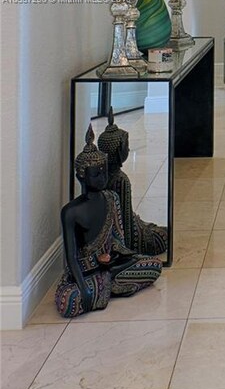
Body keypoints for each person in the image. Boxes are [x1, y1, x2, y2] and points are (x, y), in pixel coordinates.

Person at [55, 125, 162, 318]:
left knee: (153, 265)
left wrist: (112, 258)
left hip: (110, 267)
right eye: (96, 174)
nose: (103, 178)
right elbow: (71, 258)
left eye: (104, 172)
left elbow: (118, 241)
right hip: (85, 271)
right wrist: (84, 281)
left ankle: (104, 286)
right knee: (69, 300)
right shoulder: (70, 212)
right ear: (81, 175)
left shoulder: (111, 198)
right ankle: (108, 287)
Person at [98, 108, 168, 256]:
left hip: (112, 234)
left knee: (155, 228)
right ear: (119, 151)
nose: (129, 149)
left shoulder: (100, 176)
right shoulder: (120, 180)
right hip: (127, 238)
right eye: (126, 147)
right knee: (163, 234)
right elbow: (126, 224)